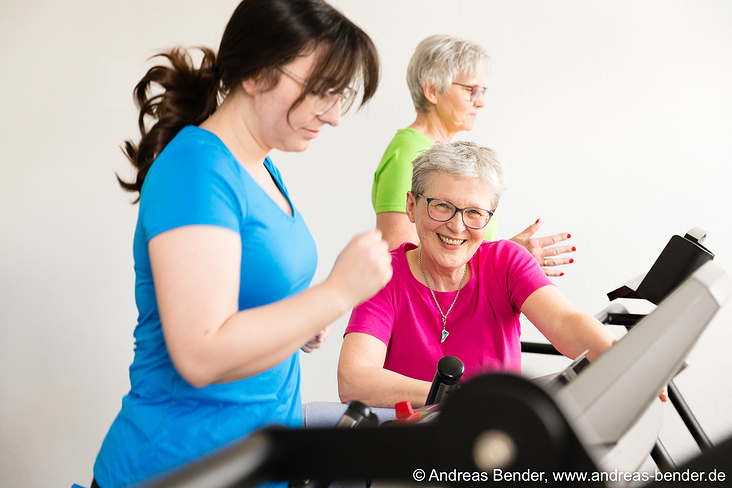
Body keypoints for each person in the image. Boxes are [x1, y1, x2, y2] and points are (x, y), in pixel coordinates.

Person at [92, 1, 392, 487]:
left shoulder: (262, 166)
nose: (335, 116)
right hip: (181, 466)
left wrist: (300, 320)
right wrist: (335, 293)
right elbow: (201, 354)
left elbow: (243, 301)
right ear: (255, 74)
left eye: (341, 96)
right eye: (321, 91)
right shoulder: (197, 169)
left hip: (256, 462)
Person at [339, 141, 617, 408]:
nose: (457, 226)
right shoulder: (383, 275)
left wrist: (618, 355)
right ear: (411, 206)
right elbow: (353, 380)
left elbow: (565, 322)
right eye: (442, 206)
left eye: (474, 212)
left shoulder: (506, 261)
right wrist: (460, 396)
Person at [372, 34, 574, 276]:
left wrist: (508, 257)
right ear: (432, 90)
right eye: (471, 90)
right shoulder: (409, 153)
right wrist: (505, 258)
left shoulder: (442, 155)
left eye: (482, 91)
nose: (481, 103)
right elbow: (401, 265)